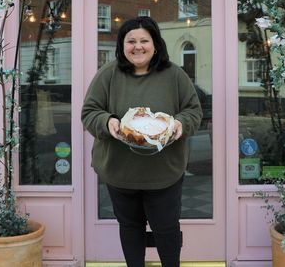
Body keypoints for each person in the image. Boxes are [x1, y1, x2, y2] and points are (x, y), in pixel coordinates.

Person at [81, 16, 203, 267]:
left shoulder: (174, 75)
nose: (138, 46)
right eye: (131, 41)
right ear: (122, 45)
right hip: (120, 171)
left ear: (155, 44)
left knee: (166, 229)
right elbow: (89, 112)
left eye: (144, 40)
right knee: (130, 227)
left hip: (164, 173)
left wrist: (180, 124)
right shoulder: (108, 74)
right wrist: (107, 122)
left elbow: (193, 111)